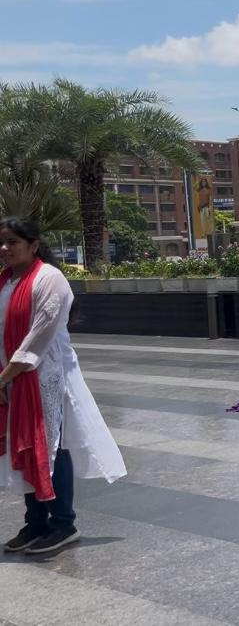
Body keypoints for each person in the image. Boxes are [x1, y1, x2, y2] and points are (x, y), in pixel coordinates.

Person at [0, 217, 126, 555]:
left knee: (50, 446)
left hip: (44, 377)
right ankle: (35, 522)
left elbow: (37, 338)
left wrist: (4, 376)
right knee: (24, 446)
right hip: (13, 378)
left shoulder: (49, 279)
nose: (4, 248)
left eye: (12, 242)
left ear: (33, 245)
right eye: (1, 242)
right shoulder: (5, 282)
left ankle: (63, 522)